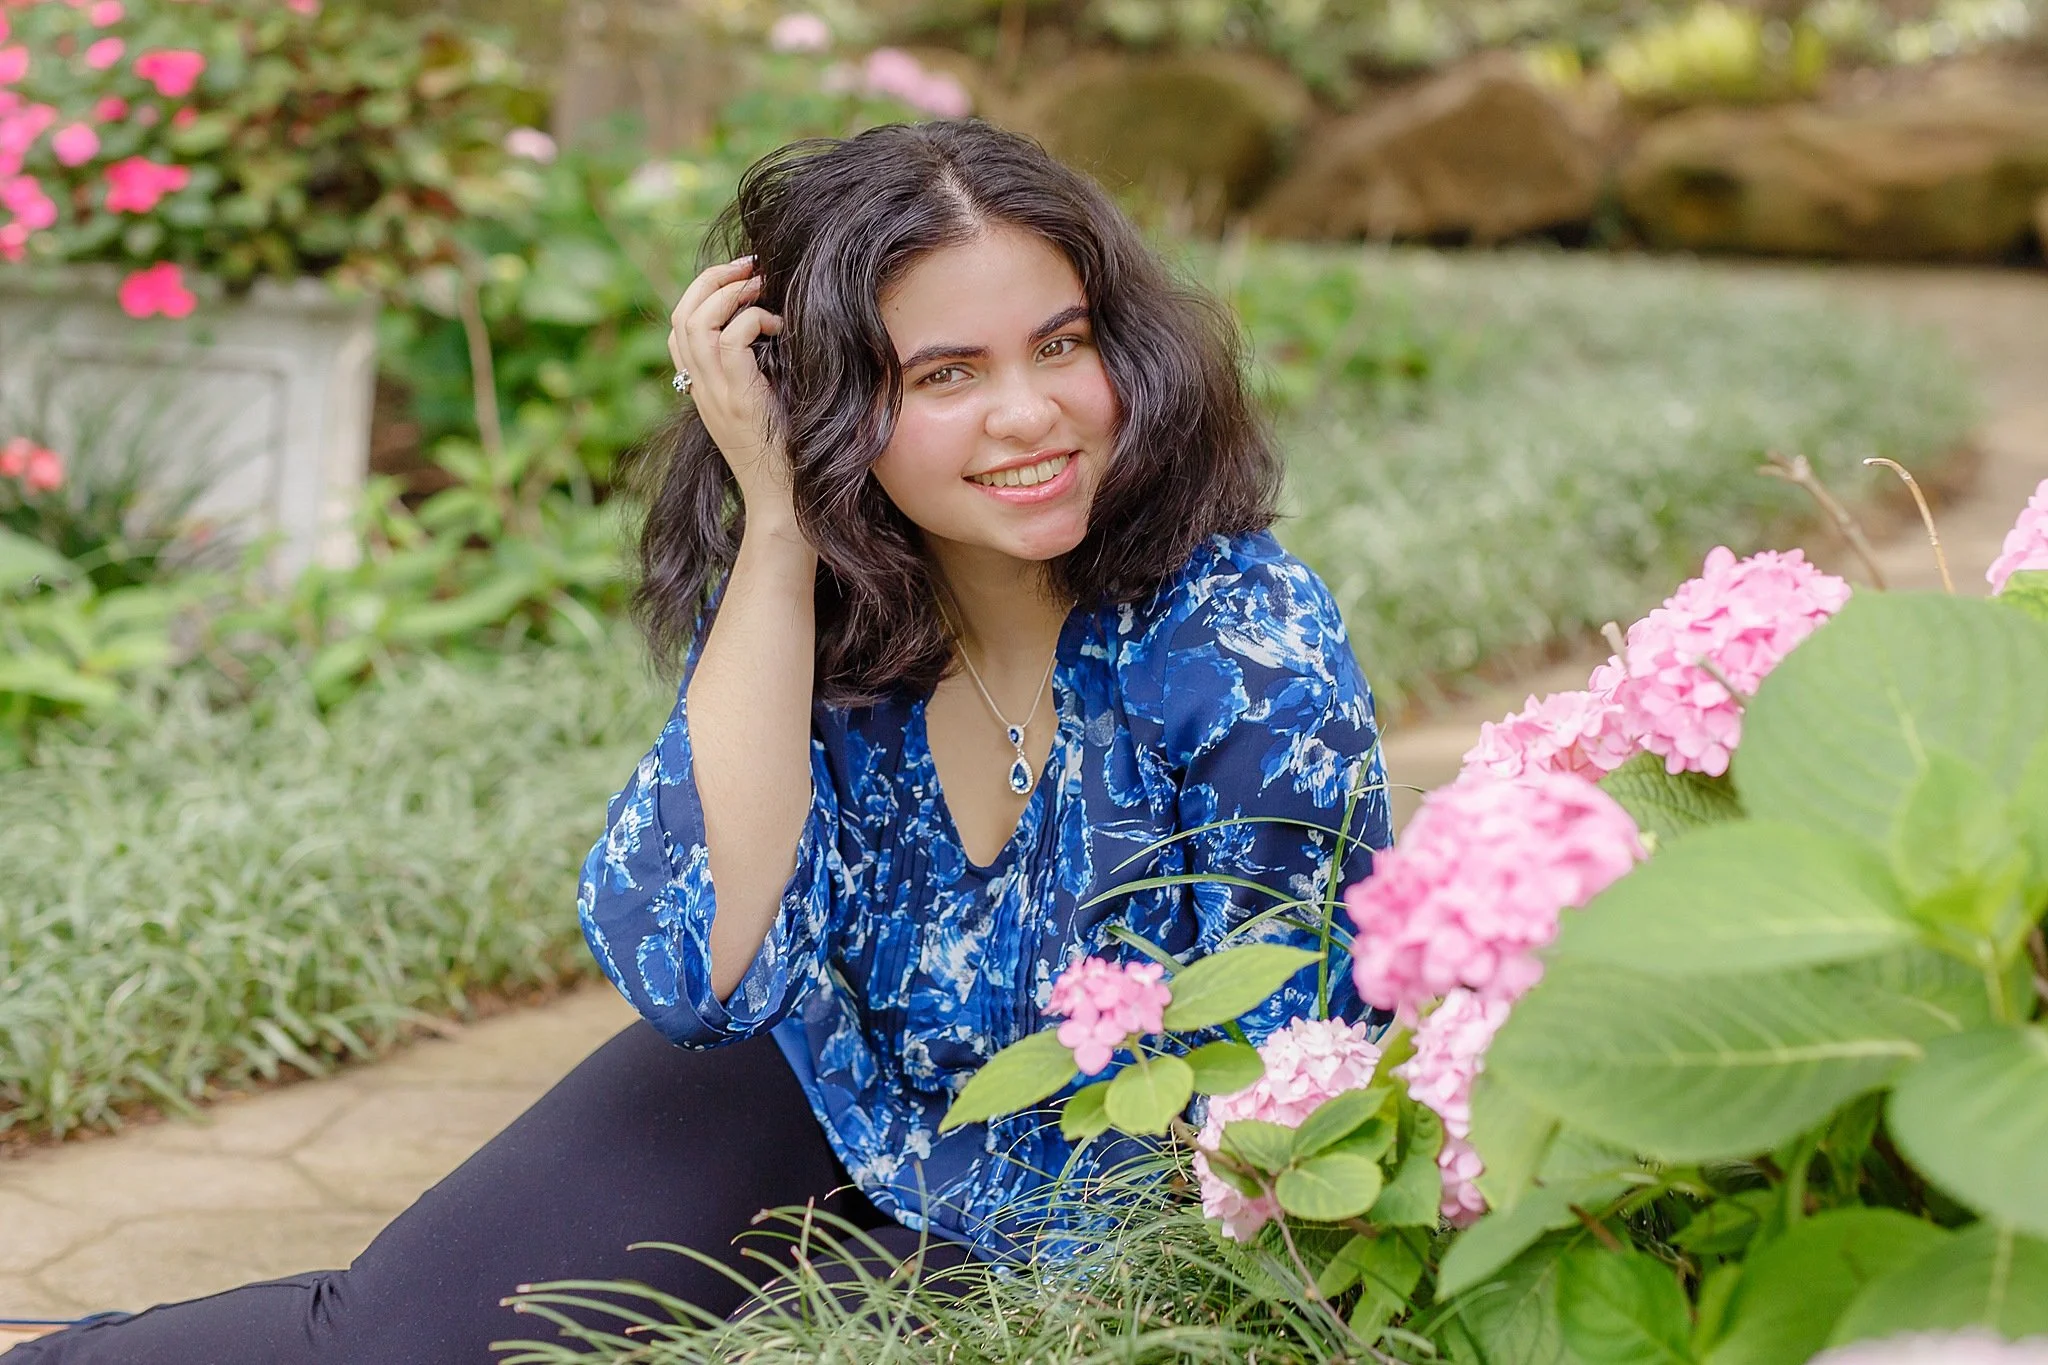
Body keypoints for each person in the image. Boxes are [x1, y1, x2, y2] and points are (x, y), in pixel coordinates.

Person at [4, 117, 1390, 1364]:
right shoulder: (844, 618)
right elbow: (699, 970)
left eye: (1061, 344)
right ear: (834, 405)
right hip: (841, 1073)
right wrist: (781, 523)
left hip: (1098, 1174)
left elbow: (1279, 1071)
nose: (1030, 414)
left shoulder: (1239, 638)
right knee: (399, 1337)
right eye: (946, 372)